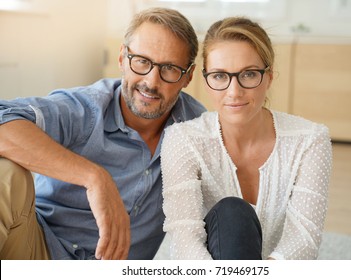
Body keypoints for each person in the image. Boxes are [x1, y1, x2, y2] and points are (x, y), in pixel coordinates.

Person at [0, 7, 205, 260]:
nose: (151, 82)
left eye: (170, 69)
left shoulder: (196, 128)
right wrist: (94, 177)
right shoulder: (85, 108)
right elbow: (3, 119)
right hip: (40, 250)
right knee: (6, 174)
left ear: (188, 76)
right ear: (122, 58)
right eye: (141, 61)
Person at [161, 17, 332, 260]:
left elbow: (304, 239)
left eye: (249, 74)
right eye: (220, 76)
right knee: (233, 213)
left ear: (269, 77)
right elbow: (184, 241)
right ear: (206, 80)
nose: (234, 91)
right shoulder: (183, 140)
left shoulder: (310, 141)